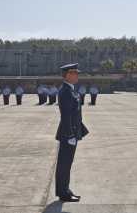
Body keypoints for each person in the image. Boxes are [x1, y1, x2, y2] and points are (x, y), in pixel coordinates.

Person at [55, 63, 89, 202]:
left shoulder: (70, 90)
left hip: (72, 132)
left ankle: (65, 190)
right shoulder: (66, 92)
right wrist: (70, 135)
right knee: (64, 164)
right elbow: (66, 115)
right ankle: (63, 193)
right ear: (68, 75)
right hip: (68, 134)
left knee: (66, 164)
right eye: (75, 73)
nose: (77, 75)